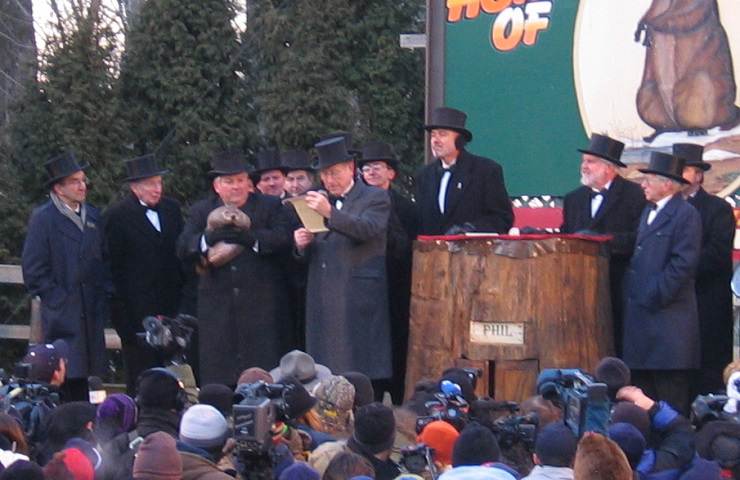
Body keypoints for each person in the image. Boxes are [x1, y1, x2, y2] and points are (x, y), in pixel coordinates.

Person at [177, 150, 294, 385]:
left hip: (261, 311)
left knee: (264, 376)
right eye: (229, 181)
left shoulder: (269, 206)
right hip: (218, 313)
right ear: (217, 185)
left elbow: (283, 238)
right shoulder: (202, 210)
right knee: (221, 379)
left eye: (240, 180)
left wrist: (252, 239)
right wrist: (207, 239)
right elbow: (182, 247)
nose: (236, 187)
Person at [294, 137, 392, 379]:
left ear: (350, 168)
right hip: (323, 296)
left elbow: (367, 229)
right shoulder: (315, 198)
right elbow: (314, 246)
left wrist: (329, 213)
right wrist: (300, 244)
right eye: (325, 175)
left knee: (359, 371)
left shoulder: (374, 197)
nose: (329, 180)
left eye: (334, 173)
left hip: (357, 296)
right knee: (325, 371)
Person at [21, 152, 108, 402]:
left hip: (91, 312)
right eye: (75, 181)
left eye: (83, 180)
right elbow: (34, 269)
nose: (82, 186)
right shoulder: (43, 219)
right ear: (59, 188)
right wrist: (58, 298)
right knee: (66, 380)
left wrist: (102, 294)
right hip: (62, 317)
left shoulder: (93, 216)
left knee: (93, 383)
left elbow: (103, 259)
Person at [622, 152, 702, 414]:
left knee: (669, 399)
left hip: (668, 326)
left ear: (667, 184)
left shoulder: (685, 214)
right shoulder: (648, 211)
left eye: (648, 180)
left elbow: (682, 264)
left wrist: (654, 295)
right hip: (642, 325)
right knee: (643, 396)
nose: (643, 185)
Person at [103, 154, 185, 394]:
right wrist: (123, 321)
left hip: (171, 310)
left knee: (174, 377)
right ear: (134, 187)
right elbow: (113, 270)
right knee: (141, 380)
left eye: (159, 183)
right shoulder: (117, 217)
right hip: (136, 315)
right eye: (150, 184)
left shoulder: (172, 210)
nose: (157, 189)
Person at [561, 134, 646, 355]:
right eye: (584, 161)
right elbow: (566, 235)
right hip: (578, 287)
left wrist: (600, 241)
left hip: (617, 282)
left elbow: (638, 238)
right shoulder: (574, 199)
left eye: (591, 161)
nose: (584, 166)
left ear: (609, 167)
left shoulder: (634, 195)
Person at [675, 143, 736, 396]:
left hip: (706, 303)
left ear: (698, 175)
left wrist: (678, 269)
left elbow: (717, 255)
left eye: (684, 169)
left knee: (707, 370)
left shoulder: (717, 209)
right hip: (676, 306)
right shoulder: (665, 209)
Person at [359, 141, 416, 404]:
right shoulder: (354, 204)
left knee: (398, 340)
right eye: (366, 168)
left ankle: (399, 394)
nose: (371, 172)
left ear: (391, 173)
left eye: (377, 167)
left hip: (398, 284)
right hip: (365, 285)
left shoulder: (406, 207)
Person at [415, 107, 513, 235]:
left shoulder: (486, 171)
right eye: (433, 135)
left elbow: (502, 218)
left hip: (473, 252)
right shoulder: (424, 175)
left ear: (459, 140)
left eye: (442, 134)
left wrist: (470, 229)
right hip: (436, 254)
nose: (435, 140)